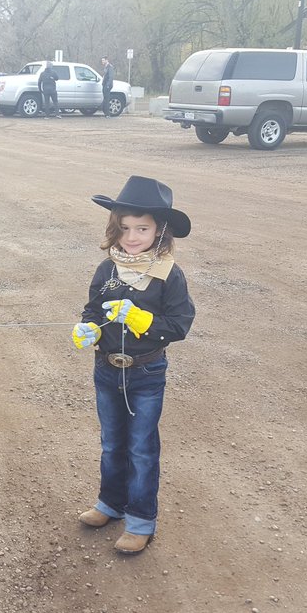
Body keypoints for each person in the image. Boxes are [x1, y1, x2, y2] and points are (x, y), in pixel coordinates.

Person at [70, 175, 195, 554]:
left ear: (160, 230)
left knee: (141, 447)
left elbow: (179, 324)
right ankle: (111, 503)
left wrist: (144, 322)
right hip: (106, 369)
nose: (132, 236)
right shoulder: (107, 269)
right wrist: (88, 327)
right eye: (124, 228)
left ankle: (140, 520)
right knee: (112, 443)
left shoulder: (168, 274)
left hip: (145, 372)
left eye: (142, 228)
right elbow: (93, 307)